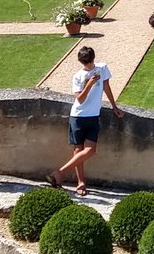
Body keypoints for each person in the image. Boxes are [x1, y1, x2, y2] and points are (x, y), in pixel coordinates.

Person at [49, 46, 124, 196]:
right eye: (85, 63)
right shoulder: (77, 76)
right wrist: (88, 84)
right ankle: (80, 182)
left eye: (89, 62)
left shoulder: (102, 68)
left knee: (90, 150)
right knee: (78, 151)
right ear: (81, 62)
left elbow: (106, 87)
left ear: (93, 59)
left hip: (93, 116)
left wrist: (114, 106)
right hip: (78, 116)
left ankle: (59, 173)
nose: (88, 65)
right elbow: (80, 99)